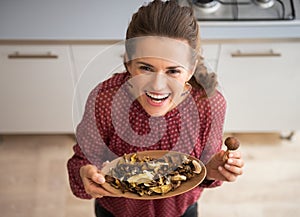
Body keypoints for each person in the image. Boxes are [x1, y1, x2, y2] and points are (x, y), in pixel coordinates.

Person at [67, 0, 244, 217]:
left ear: (190, 70)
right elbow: (82, 162)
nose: (158, 86)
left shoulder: (209, 104)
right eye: (146, 68)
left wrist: (213, 170)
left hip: (181, 211)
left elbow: (205, 170)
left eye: (173, 71)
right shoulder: (104, 99)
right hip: (117, 212)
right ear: (129, 64)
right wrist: (85, 173)